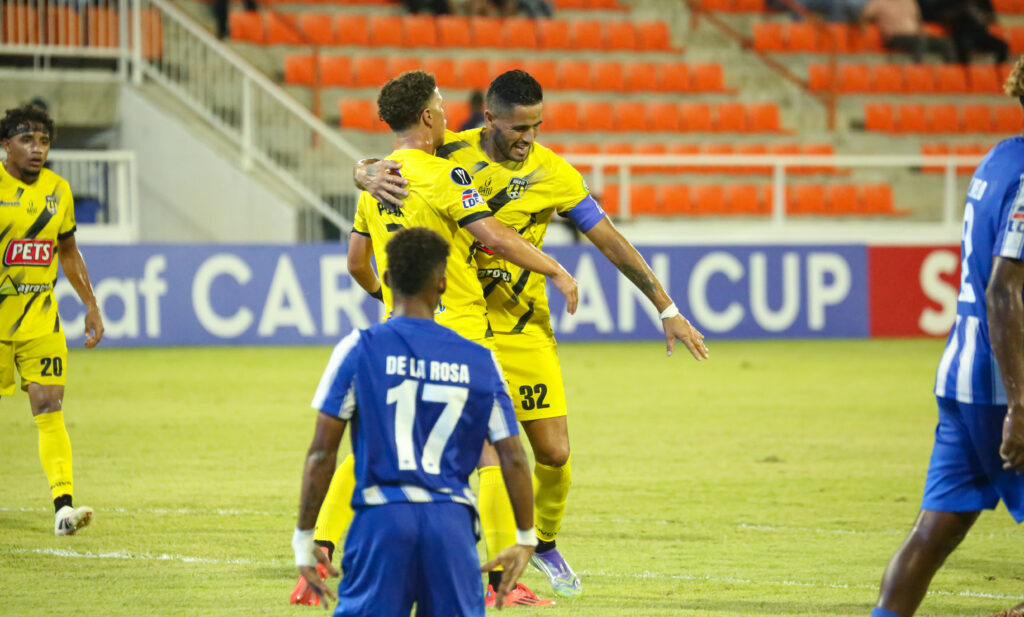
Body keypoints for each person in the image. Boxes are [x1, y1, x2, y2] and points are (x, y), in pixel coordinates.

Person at [355, 69, 709, 600]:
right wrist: (364, 171)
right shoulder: (452, 150)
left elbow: (611, 242)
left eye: (537, 127)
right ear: (490, 119)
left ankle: (540, 543)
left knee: (555, 453)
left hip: (523, 329)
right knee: (485, 447)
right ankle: (497, 565)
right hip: (466, 323)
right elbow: (400, 153)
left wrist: (667, 307)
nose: (529, 138)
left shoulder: (555, 175)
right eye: (519, 127)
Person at [291, 70, 577, 608]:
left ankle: (320, 556)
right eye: (441, 105)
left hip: (400, 326)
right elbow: (492, 234)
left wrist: (387, 298)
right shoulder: (444, 175)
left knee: (375, 438)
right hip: (461, 330)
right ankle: (503, 582)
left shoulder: (379, 177)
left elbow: (356, 262)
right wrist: (556, 269)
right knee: (492, 449)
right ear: (427, 116)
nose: (448, 113)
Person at [291, 227, 537, 616]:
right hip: (451, 524)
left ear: (387, 280)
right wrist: (525, 537)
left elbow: (322, 452)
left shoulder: (358, 348)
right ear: (442, 284)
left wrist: (306, 539)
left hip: (381, 520)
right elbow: (513, 458)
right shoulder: (479, 361)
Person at [869, 56, 1024, 617]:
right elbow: (1003, 290)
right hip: (1004, 385)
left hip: (960, 375)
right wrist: (1022, 406)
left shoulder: (997, 159)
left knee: (934, 533)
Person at [0, 104, 104, 535]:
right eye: (27, 140)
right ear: (5, 145)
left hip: (40, 317)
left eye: (43, 141)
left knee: (50, 405)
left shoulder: (58, 190)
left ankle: (63, 506)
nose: (37, 148)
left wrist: (91, 304)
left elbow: (67, 251)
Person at [860, 0, 954, 62]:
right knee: (919, 42)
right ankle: (917, 72)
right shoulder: (879, 2)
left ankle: (951, 75)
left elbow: (918, 19)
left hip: (915, 35)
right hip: (894, 37)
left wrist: (921, 30)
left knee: (946, 43)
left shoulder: (909, 1)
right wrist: (863, 27)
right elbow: (864, 17)